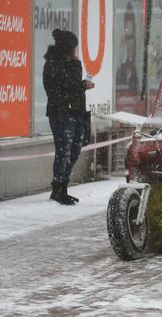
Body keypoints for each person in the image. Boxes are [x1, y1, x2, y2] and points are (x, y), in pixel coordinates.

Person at [43, 29, 95, 206]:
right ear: (67, 48)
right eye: (74, 48)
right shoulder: (54, 64)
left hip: (76, 112)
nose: (76, 52)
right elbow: (68, 85)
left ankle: (63, 185)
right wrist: (81, 83)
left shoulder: (69, 63)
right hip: (61, 113)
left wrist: (81, 85)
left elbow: (73, 87)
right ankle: (58, 188)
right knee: (64, 150)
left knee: (75, 149)